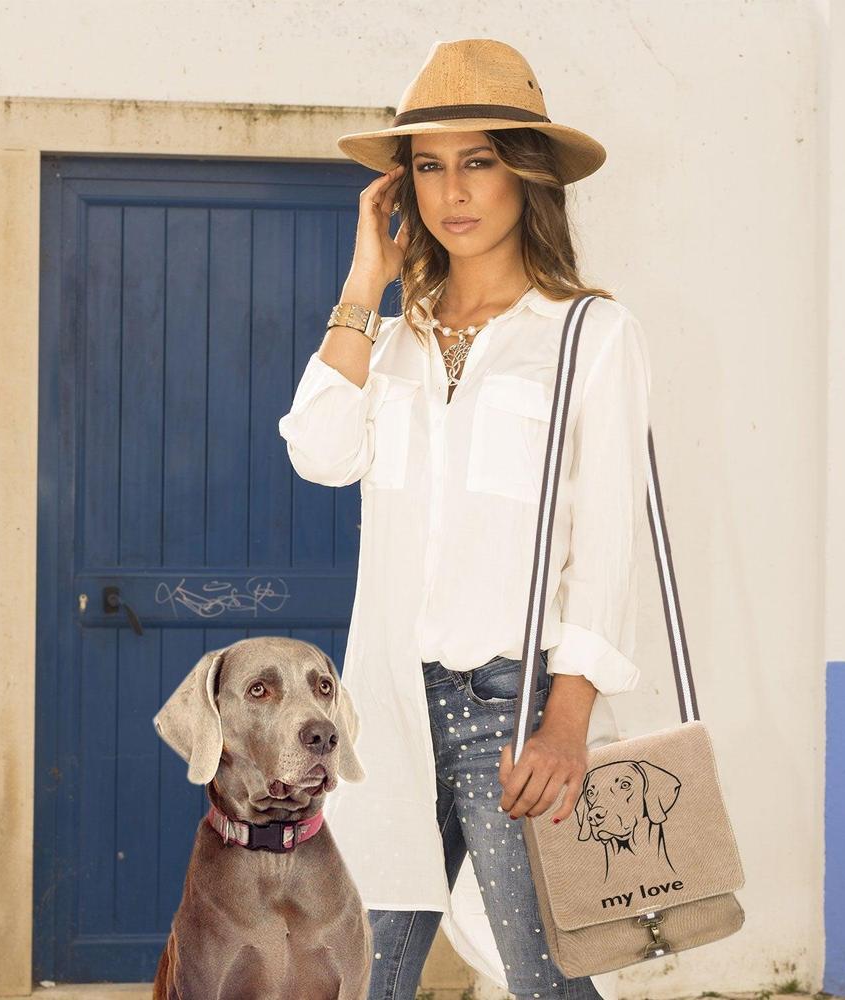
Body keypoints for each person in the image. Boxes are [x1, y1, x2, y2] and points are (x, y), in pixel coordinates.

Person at [278, 38, 652, 1000]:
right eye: (429, 166)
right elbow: (319, 452)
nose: (453, 191)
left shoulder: (589, 336)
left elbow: (610, 544)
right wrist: (364, 287)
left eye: (478, 161)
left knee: (549, 982)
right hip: (385, 710)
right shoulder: (390, 342)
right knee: (356, 977)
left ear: (527, 174)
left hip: (514, 710)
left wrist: (567, 723)